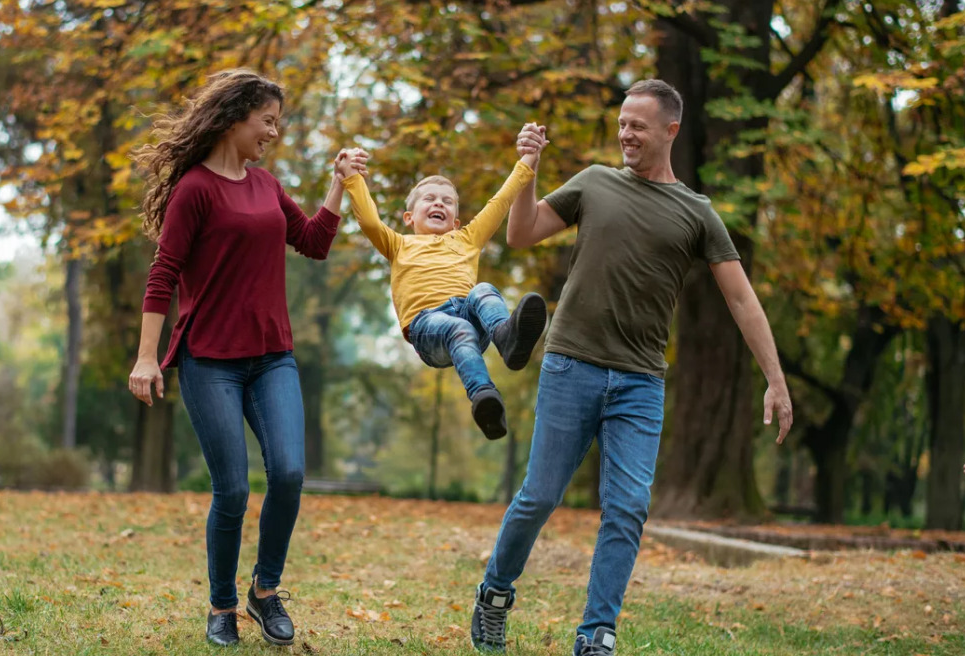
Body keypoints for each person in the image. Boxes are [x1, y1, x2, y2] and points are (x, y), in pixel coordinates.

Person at [468, 79, 794, 656]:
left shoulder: (697, 212)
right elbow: (521, 234)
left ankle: (596, 633)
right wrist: (527, 170)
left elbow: (742, 299)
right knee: (539, 496)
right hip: (571, 366)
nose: (626, 134)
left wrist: (775, 379)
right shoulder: (594, 183)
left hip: (640, 382)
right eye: (622, 124)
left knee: (627, 508)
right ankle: (495, 593)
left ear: (671, 130)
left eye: (637, 126)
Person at [126, 69, 367, 648]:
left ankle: (264, 590)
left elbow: (314, 241)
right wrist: (146, 358)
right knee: (232, 490)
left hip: (272, 356)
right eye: (267, 121)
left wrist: (338, 184)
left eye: (277, 123)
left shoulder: (266, 185)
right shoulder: (195, 190)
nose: (274, 133)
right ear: (235, 118)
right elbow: (162, 275)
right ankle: (221, 606)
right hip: (209, 359)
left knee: (289, 472)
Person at [339, 128, 548, 439]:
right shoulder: (398, 244)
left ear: (456, 222)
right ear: (409, 217)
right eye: (430, 199)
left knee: (483, 290)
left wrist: (529, 158)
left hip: (471, 321)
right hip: (428, 327)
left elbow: (501, 201)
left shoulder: (467, 239)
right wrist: (352, 177)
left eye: (447, 202)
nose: (439, 203)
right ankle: (484, 398)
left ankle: (506, 337)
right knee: (457, 327)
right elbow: (369, 220)